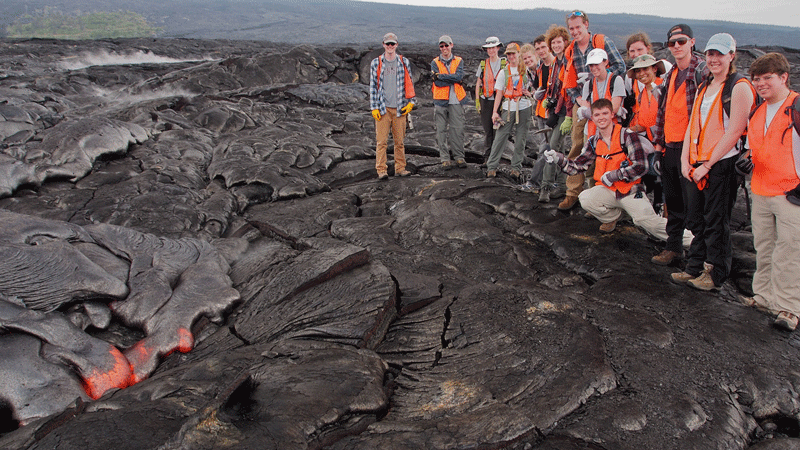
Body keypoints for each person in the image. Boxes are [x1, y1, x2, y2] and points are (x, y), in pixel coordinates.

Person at [544, 98, 693, 245]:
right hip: (608, 190)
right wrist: (559, 159)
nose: (601, 117)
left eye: (605, 113)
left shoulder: (627, 135)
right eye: (597, 115)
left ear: (611, 115)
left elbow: (641, 166)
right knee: (585, 198)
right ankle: (616, 216)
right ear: (592, 118)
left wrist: (615, 175)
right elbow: (579, 166)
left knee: (645, 221)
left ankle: (690, 240)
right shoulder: (594, 141)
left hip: (630, 190)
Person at [672, 33, 755, 291]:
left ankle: (715, 272)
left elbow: (734, 131)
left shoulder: (739, 86)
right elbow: (692, 126)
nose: (714, 59)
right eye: (710, 54)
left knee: (716, 220)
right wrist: (685, 161)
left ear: (732, 55)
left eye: (720, 54)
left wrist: (707, 166)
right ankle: (694, 266)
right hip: (696, 162)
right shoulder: (703, 86)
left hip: (721, 164)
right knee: (696, 219)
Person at [744, 52, 800, 331]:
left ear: (783, 77)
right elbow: (756, 148)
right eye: (756, 79)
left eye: (767, 78)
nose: (761, 83)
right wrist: (747, 162)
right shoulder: (758, 111)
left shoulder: (797, 107)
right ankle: (763, 296)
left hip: (792, 192)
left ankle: (789, 308)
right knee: (764, 245)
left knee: (789, 251)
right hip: (761, 189)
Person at [650, 24, 708, 266]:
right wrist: (658, 147)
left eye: (681, 41)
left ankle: (698, 258)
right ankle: (673, 247)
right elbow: (663, 112)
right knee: (672, 202)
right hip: (670, 148)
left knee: (694, 206)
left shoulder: (701, 71)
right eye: (672, 43)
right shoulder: (672, 72)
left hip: (691, 151)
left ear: (692, 42)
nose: (676, 46)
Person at [559, 9, 626, 211]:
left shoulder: (601, 42)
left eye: (578, 26)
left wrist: (597, 77)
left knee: (608, 147)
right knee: (578, 145)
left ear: (586, 24)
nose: (575, 31)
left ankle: (602, 192)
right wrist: (580, 100)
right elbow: (568, 82)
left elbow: (620, 67)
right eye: (571, 28)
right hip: (583, 104)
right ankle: (573, 193)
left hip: (606, 103)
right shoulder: (570, 50)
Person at [369, 32, 415, 180]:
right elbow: (373, 87)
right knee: (381, 142)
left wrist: (411, 103)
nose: (390, 46)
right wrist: (374, 107)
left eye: (392, 44)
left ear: (397, 45)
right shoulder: (376, 63)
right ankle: (381, 170)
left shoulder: (403, 62)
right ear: (383, 45)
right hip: (383, 108)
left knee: (399, 142)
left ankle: (400, 168)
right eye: (387, 44)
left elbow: (409, 83)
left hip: (400, 108)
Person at [486, 42, 532, 180]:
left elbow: (536, 86)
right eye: (509, 54)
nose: (511, 56)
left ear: (519, 54)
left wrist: (531, 93)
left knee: (520, 139)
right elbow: (499, 93)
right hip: (507, 109)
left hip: (524, 108)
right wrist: (495, 112)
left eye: (513, 53)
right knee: (500, 137)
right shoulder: (503, 72)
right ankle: (492, 167)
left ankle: (516, 168)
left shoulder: (527, 70)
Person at [626, 54, 666, 212]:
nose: (641, 73)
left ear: (655, 68)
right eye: (638, 71)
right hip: (654, 144)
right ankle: (657, 209)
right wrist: (624, 132)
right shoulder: (642, 95)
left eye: (645, 69)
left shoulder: (664, 89)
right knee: (653, 175)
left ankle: (662, 212)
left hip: (668, 144)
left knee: (661, 178)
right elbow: (643, 123)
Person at [538, 25, 572, 203]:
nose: (556, 45)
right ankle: (562, 184)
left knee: (551, 148)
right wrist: (548, 99)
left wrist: (569, 115)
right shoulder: (555, 64)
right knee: (559, 147)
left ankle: (545, 187)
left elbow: (569, 89)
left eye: (559, 42)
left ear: (565, 42)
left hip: (566, 111)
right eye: (554, 42)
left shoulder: (568, 61)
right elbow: (554, 87)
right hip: (555, 110)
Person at [432, 35, 469, 170]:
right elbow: (437, 81)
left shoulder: (459, 60)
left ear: (451, 45)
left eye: (446, 45)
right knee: (441, 130)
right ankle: (445, 158)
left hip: (456, 99)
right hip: (440, 100)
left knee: (457, 129)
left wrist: (442, 76)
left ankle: (459, 157)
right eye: (441, 46)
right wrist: (452, 79)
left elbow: (459, 76)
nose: (444, 48)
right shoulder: (434, 62)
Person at [475, 36, 505, 166]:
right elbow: (478, 83)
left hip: (500, 103)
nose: (491, 51)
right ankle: (487, 158)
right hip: (486, 101)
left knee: (497, 130)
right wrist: (477, 101)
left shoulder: (504, 64)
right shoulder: (483, 64)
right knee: (488, 131)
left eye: (493, 48)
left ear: (498, 48)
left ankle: (495, 158)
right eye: (489, 48)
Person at [529, 36, 556, 155]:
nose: (541, 51)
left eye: (543, 47)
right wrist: (535, 95)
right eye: (538, 48)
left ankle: (549, 172)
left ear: (549, 47)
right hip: (541, 112)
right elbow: (537, 86)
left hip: (553, 113)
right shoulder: (540, 68)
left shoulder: (558, 66)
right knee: (544, 145)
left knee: (553, 146)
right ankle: (544, 172)